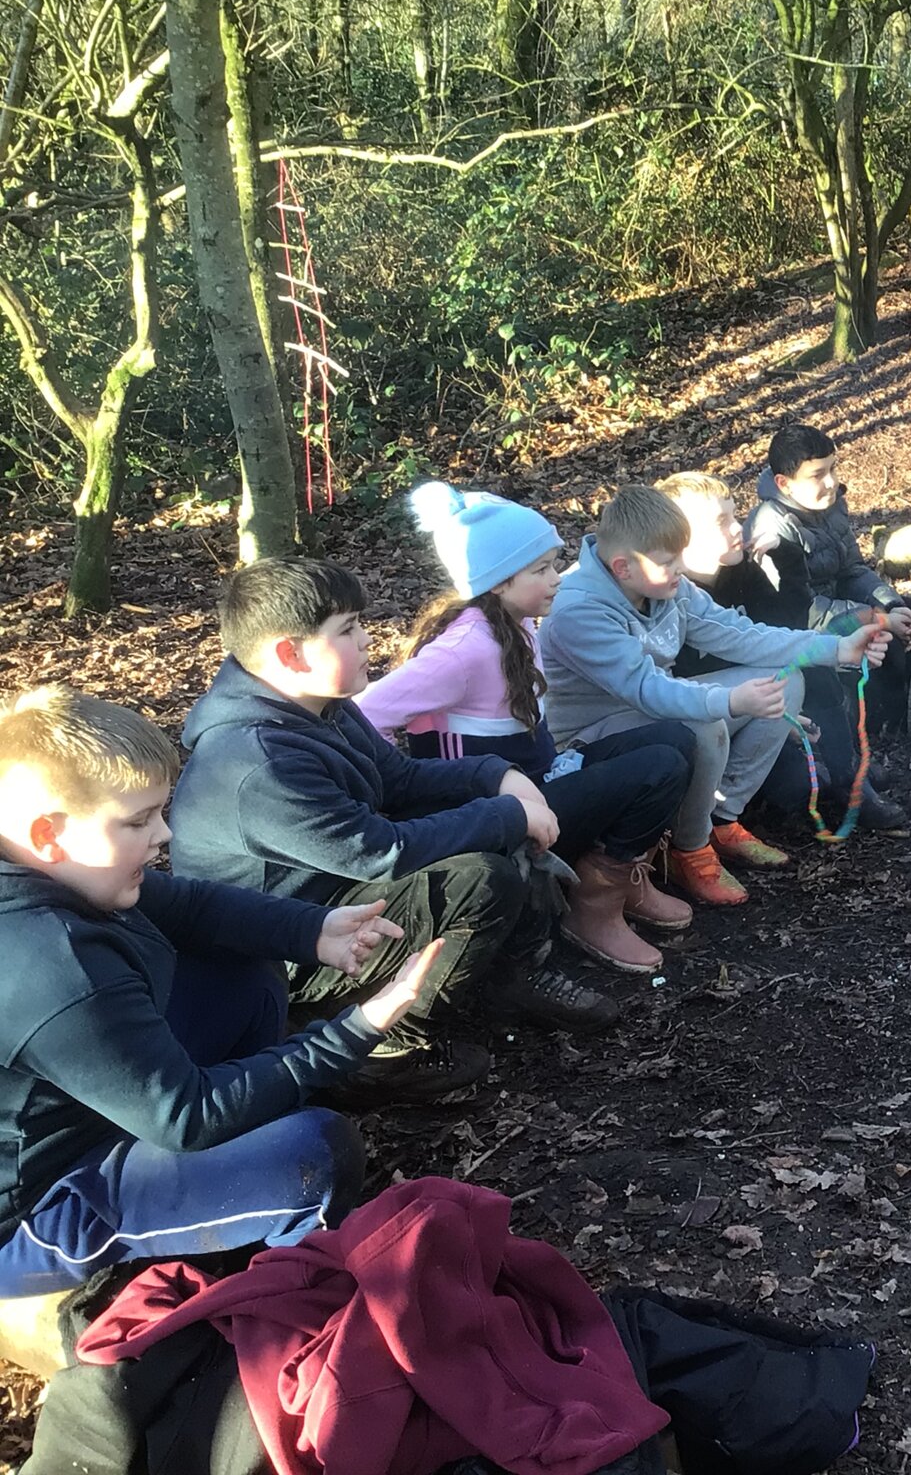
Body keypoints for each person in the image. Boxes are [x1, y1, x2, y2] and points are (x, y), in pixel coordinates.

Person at [0, 686, 444, 1295]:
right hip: (38, 1204)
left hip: (95, 1105)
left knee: (243, 973)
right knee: (313, 1155)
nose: (164, 835)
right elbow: (187, 1117)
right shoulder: (52, 962)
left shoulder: (56, 868)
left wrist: (312, 930)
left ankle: (240, 1160)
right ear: (48, 834)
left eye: (161, 810)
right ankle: (281, 1300)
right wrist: (355, 1030)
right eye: (138, 820)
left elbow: (193, 905)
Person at [172, 556, 618, 1108]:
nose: (367, 639)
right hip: (283, 953)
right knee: (478, 880)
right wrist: (509, 815)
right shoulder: (258, 760)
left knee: (481, 823)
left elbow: (399, 779)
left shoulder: (320, 706)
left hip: (331, 893)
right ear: (290, 653)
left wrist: (497, 774)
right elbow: (380, 854)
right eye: (348, 629)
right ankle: (376, 1049)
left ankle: (512, 978)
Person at [357, 484, 696, 974]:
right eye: (541, 570)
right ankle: (592, 908)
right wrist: (407, 792)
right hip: (496, 812)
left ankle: (617, 879)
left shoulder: (520, 623)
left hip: (540, 779)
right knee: (658, 767)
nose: (557, 579)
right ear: (495, 582)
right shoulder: (466, 648)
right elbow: (366, 713)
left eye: (555, 564)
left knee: (673, 737)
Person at [538, 485, 889, 907]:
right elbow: (647, 690)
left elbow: (741, 636)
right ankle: (690, 849)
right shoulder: (580, 610)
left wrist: (835, 649)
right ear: (622, 567)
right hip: (590, 739)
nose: (680, 569)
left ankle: (723, 818)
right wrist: (729, 702)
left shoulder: (666, 586)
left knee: (782, 680)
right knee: (704, 724)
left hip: (651, 718)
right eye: (669, 562)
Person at [657, 470, 908, 831]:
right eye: (721, 522)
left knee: (813, 677)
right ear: (679, 536)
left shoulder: (738, 571)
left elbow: (782, 629)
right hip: (703, 720)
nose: (736, 529)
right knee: (798, 786)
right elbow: (668, 688)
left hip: (749, 706)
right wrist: (766, 711)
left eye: (734, 516)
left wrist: (787, 558)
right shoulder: (668, 594)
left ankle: (848, 777)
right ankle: (706, 826)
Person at [743, 423, 911, 736]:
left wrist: (891, 605)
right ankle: (873, 729)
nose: (831, 482)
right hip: (801, 628)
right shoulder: (771, 526)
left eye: (833, 469)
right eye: (817, 475)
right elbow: (800, 611)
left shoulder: (831, 506)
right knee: (884, 641)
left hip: (838, 607)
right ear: (784, 483)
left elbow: (852, 570)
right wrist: (880, 620)